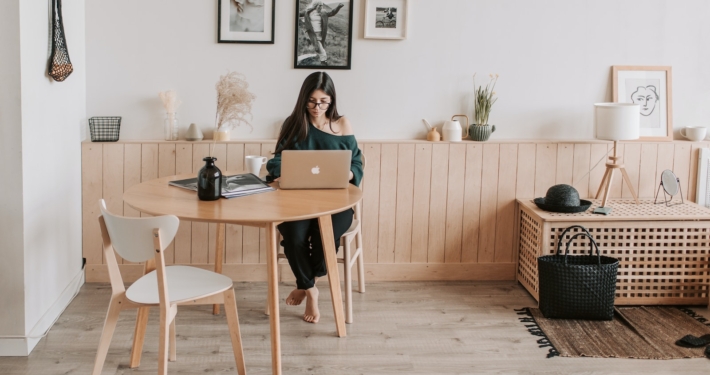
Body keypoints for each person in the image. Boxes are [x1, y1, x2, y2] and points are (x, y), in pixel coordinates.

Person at [266, 72, 363, 323]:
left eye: (323, 101)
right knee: (294, 236)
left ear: (332, 100)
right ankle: (311, 289)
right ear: (303, 99)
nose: (317, 107)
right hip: (296, 200)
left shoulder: (342, 124)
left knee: (325, 237)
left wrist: (349, 171)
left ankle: (304, 283)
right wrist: (282, 171)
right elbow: (276, 160)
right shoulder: (293, 123)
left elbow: (356, 161)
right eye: (311, 101)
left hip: (337, 201)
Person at [299, 1, 345, 65]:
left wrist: (338, 7)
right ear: (315, 6)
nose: (321, 7)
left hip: (321, 34)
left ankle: (320, 61)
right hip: (313, 34)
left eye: (322, 5)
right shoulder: (308, 12)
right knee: (322, 51)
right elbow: (298, 14)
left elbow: (332, 13)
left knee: (320, 48)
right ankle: (324, 63)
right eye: (319, 5)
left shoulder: (323, 12)